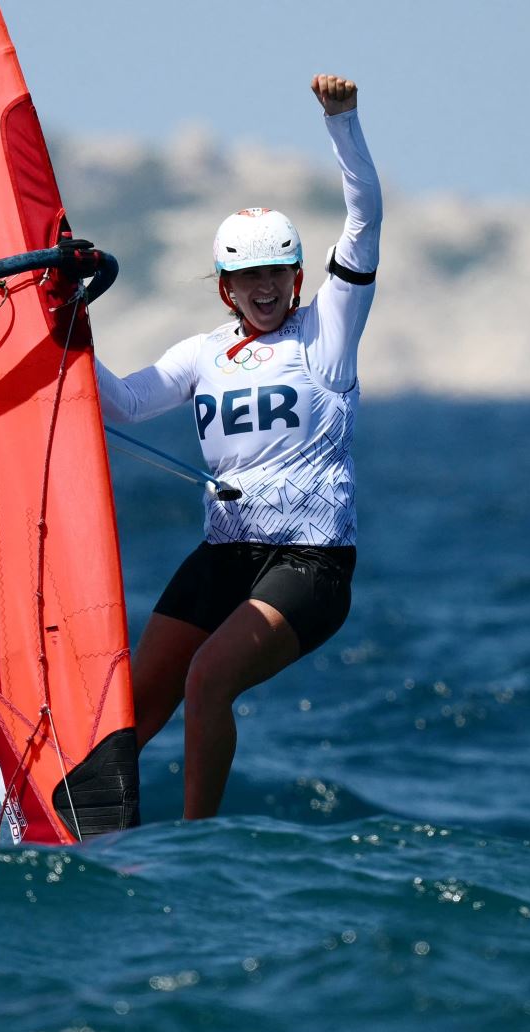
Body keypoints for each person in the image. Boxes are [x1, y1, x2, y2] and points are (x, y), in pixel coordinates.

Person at [96, 74, 381, 820]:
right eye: (246, 278)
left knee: (207, 682)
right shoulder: (202, 353)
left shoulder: (327, 333)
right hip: (226, 556)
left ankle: (197, 845)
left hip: (310, 565)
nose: (263, 290)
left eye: (275, 276)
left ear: (296, 278)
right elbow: (122, 402)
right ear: (225, 287)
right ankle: (77, 829)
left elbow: (365, 219)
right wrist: (58, 313)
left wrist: (341, 123)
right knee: (130, 707)